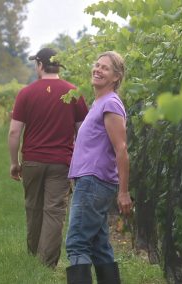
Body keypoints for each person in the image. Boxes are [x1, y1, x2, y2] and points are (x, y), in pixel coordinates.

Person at [8, 47, 88, 268]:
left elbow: (14, 132)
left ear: (40, 65)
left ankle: (34, 256)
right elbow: (83, 133)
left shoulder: (26, 93)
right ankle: (46, 264)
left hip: (33, 160)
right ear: (58, 66)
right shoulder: (74, 93)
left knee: (33, 207)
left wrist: (14, 162)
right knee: (54, 210)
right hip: (62, 162)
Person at [65, 51, 132, 284]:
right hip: (92, 181)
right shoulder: (99, 102)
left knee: (77, 243)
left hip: (94, 181)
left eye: (105, 68)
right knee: (98, 245)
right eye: (97, 65)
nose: (98, 70)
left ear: (116, 76)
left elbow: (121, 149)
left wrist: (124, 192)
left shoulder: (111, 103)